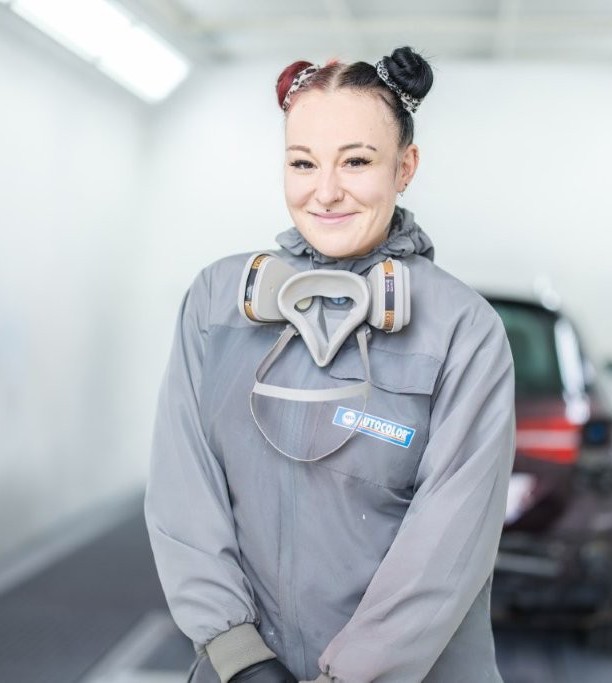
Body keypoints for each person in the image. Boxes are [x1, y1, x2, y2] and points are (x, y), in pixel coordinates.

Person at [145, 46, 515, 683]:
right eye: (303, 162)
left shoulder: (463, 329)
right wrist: (236, 654)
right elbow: (184, 487)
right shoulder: (215, 302)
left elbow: (448, 543)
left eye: (356, 161)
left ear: (405, 167)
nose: (325, 191)